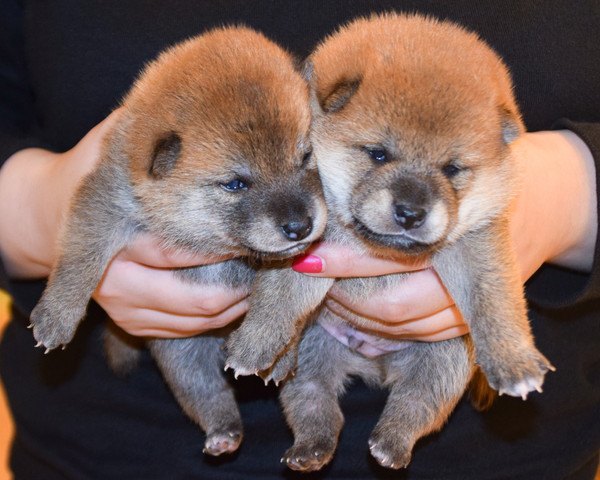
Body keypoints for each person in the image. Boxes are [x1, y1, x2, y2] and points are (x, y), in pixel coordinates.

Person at [0, 1, 598, 479]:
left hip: (513, 456)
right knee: (297, 368)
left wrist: (572, 196)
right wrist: (34, 214)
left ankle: (398, 428)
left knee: (429, 374)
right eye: (379, 154)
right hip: (104, 449)